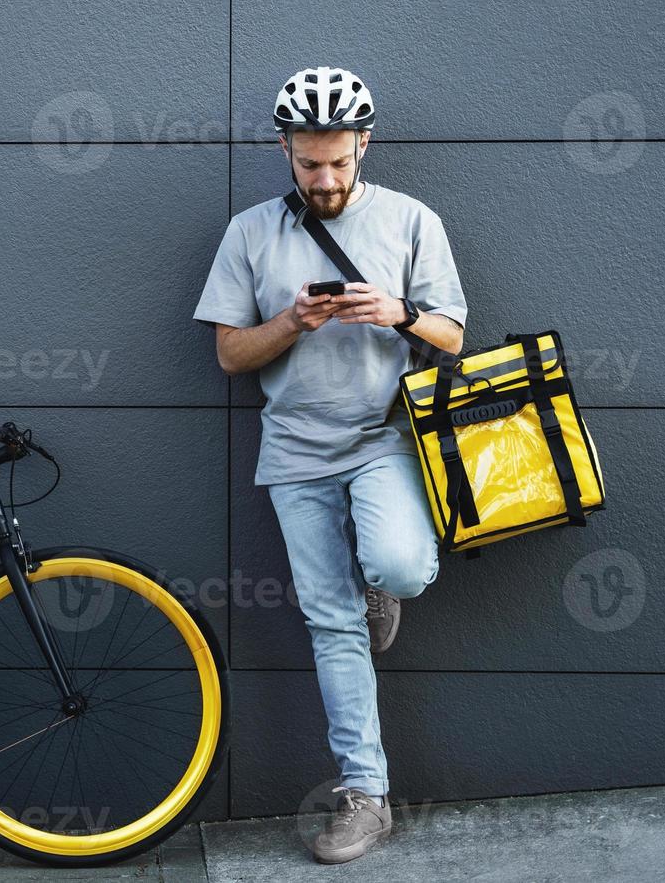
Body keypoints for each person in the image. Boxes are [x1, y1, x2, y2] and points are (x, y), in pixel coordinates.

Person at [191, 67, 468, 864]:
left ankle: (380, 585)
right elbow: (230, 355)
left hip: (385, 439)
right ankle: (365, 796)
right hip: (295, 453)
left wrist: (398, 310)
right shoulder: (250, 233)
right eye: (309, 164)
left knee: (403, 567)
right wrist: (292, 322)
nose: (325, 178)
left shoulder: (413, 220)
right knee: (331, 625)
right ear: (284, 149)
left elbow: (453, 334)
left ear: (363, 145)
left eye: (339, 162)